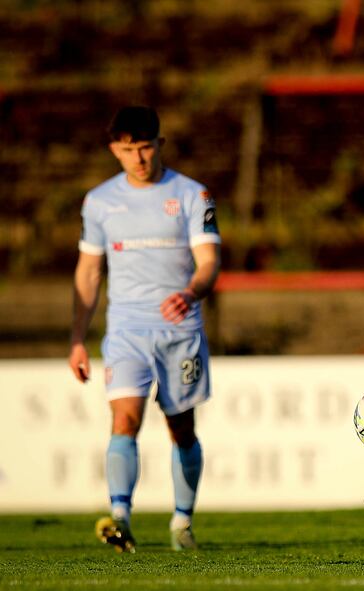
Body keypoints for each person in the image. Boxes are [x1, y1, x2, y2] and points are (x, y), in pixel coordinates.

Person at [69, 106, 221, 553]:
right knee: (124, 419)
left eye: (145, 147)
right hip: (126, 329)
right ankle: (120, 519)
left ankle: (182, 522)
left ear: (160, 145)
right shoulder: (99, 201)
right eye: (128, 149)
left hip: (180, 329)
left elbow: (209, 262)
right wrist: (77, 339)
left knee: (181, 428)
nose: (138, 158)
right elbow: (88, 273)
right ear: (114, 150)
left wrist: (190, 292)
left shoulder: (192, 194)